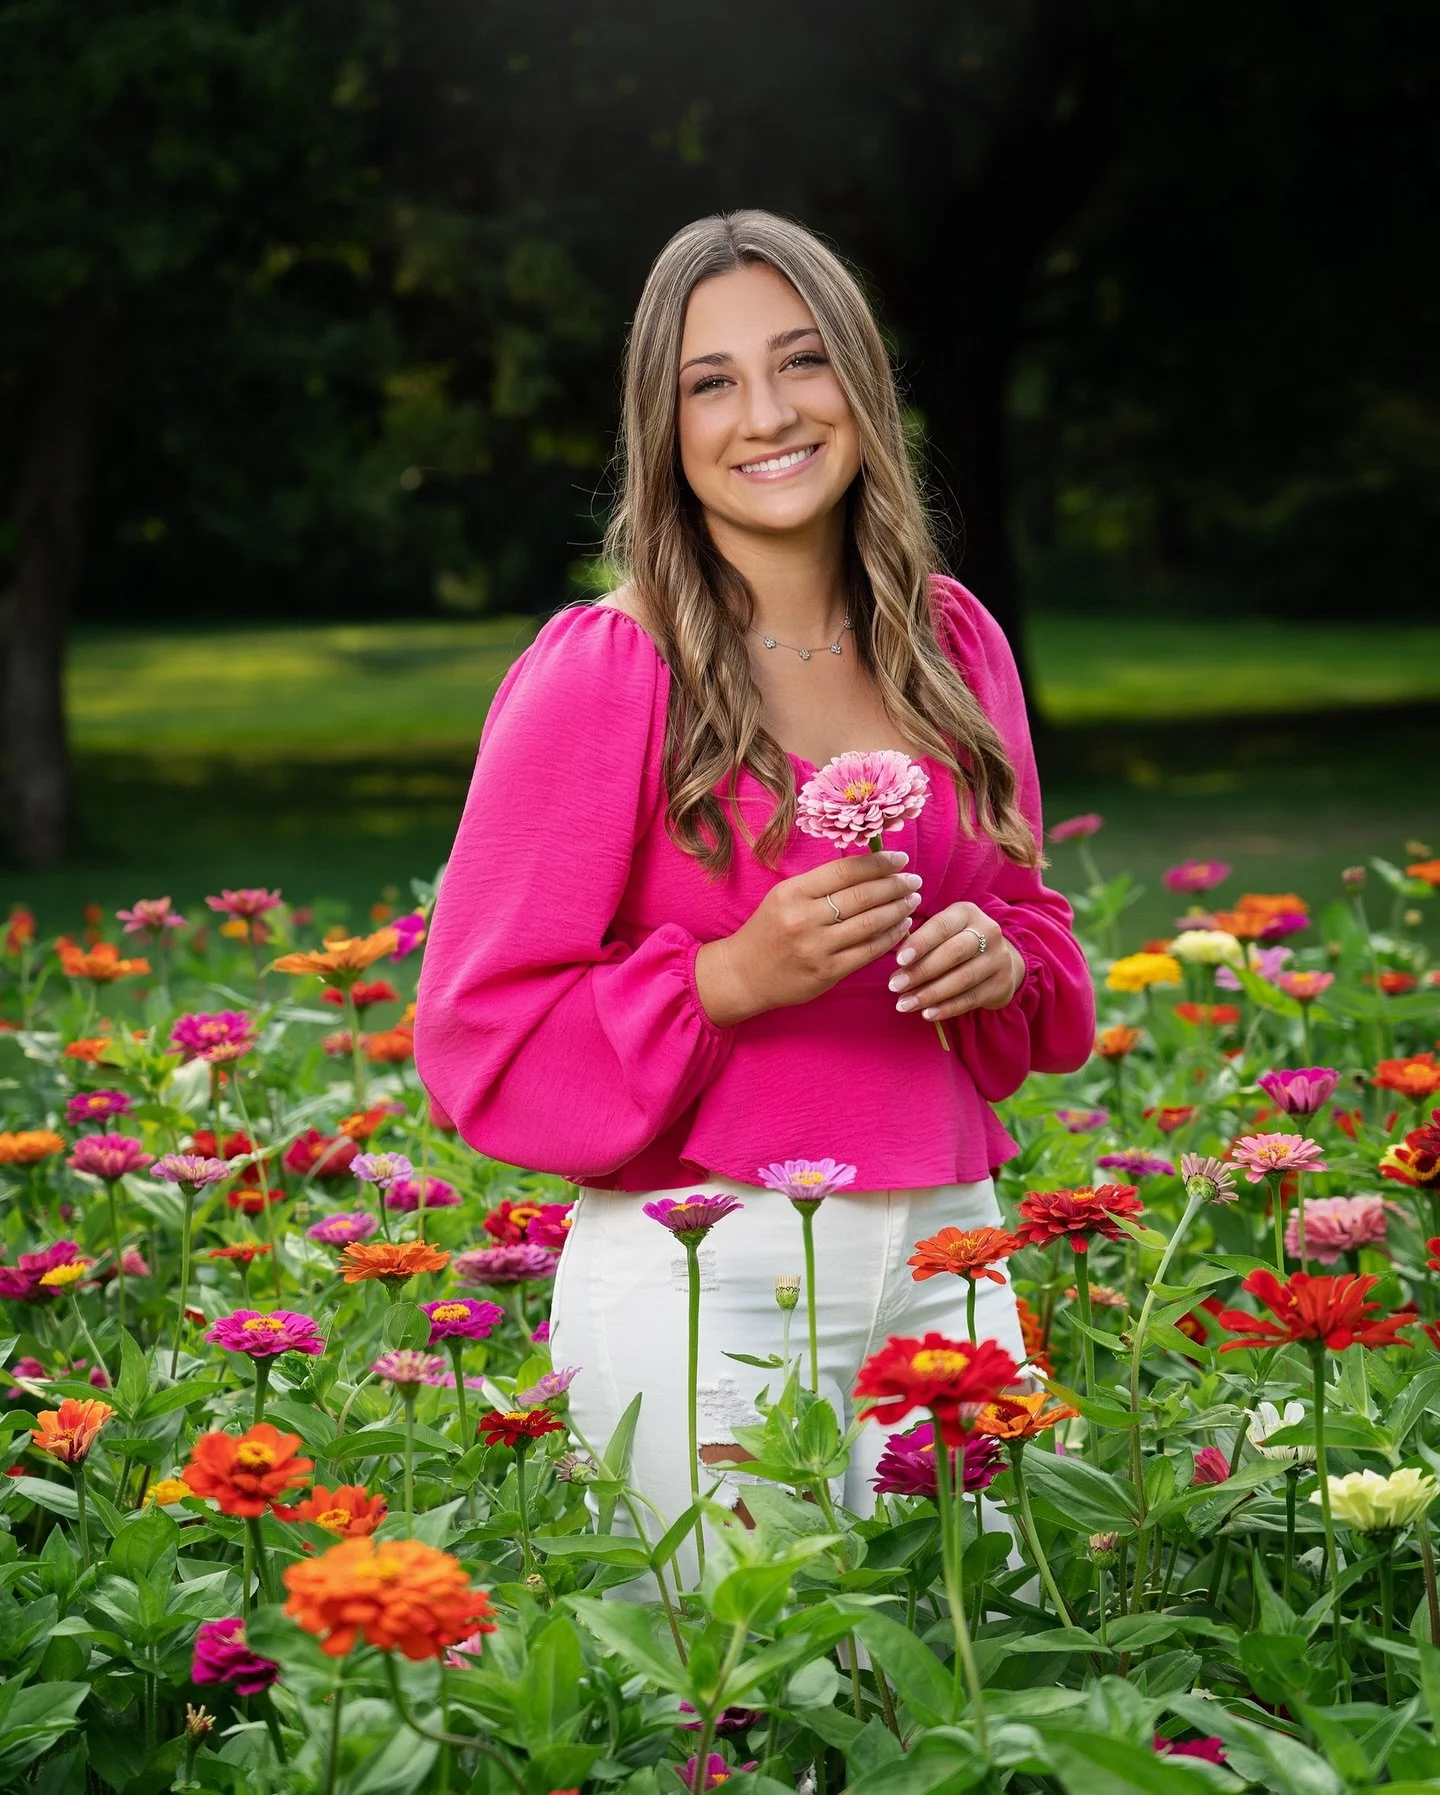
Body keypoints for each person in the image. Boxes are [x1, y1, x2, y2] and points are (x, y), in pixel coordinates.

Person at [413, 210, 1095, 1575]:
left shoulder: (952, 642)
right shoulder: (605, 671)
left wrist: (999, 960)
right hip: (707, 1277)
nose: (767, 413)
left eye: (800, 362)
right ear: (661, 429)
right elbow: (475, 1036)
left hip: (950, 1254)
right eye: (710, 382)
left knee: (974, 1678)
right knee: (748, 1709)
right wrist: (729, 976)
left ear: (862, 381)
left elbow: (1043, 944)